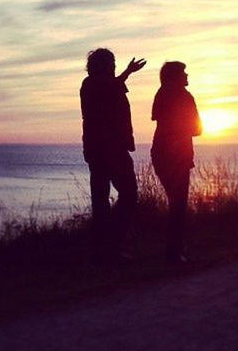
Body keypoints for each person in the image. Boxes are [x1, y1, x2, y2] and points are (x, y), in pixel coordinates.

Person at [80, 48, 146, 264]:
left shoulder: (100, 84)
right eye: (112, 62)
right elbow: (110, 90)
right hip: (109, 150)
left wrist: (126, 74)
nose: (114, 66)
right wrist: (127, 73)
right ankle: (109, 247)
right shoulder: (92, 84)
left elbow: (113, 89)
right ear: (102, 64)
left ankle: (104, 250)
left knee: (103, 200)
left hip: (102, 150)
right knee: (127, 194)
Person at [150, 61, 202, 264]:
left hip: (161, 153)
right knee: (178, 204)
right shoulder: (184, 96)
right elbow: (197, 129)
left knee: (176, 203)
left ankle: (175, 248)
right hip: (177, 156)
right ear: (174, 76)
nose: (187, 75)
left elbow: (162, 122)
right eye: (183, 72)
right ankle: (174, 252)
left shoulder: (161, 93)